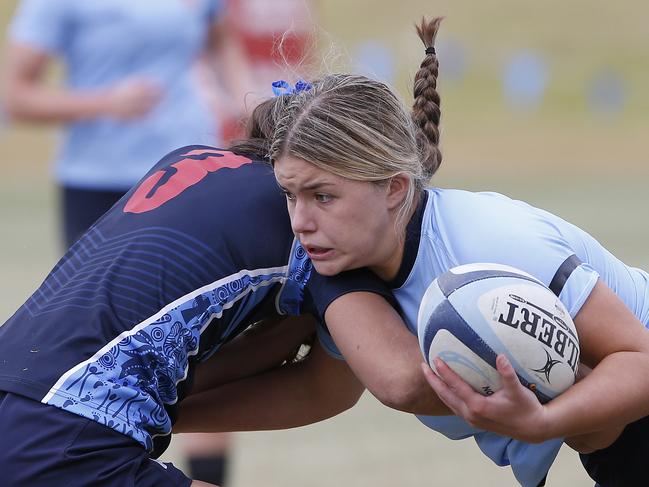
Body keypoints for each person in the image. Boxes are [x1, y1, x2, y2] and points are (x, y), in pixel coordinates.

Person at [176, 17, 649, 487]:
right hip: (615, 442)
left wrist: (544, 423)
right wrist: (165, 417)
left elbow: (640, 361)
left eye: (323, 196)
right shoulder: (349, 264)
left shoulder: (490, 241)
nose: (300, 221)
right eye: (290, 195)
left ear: (395, 190)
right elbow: (322, 389)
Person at [0, 120, 418, 485]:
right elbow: (371, 384)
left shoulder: (192, 160)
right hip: (64, 434)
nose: (301, 214)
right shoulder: (317, 234)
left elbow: (259, 342)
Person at [3, 0, 252, 249]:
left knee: (196, 283)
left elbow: (220, 39)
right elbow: (15, 96)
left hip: (189, 169)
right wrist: (103, 103)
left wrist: (246, 102)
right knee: (99, 287)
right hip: (98, 180)